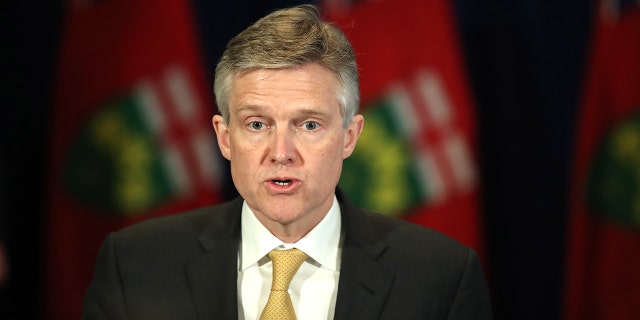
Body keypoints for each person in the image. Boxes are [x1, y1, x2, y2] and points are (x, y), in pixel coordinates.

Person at [82, 4, 492, 320]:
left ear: (350, 137)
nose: (281, 151)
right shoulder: (135, 265)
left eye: (309, 125)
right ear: (225, 138)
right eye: (257, 124)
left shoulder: (441, 277)